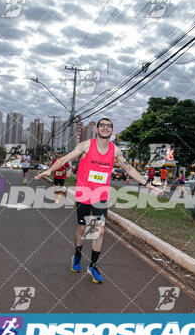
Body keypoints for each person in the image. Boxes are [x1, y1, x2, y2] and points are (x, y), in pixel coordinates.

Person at [35, 118, 163, 283]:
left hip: (101, 195)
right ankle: (77, 255)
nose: (105, 128)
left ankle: (93, 266)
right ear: (97, 130)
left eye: (108, 126)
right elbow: (64, 159)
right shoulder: (86, 146)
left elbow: (129, 168)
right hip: (84, 194)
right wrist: (50, 170)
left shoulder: (115, 151)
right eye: (102, 125)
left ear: (111, 131)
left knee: (99, 230)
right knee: (82, 228)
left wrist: (148, 185)